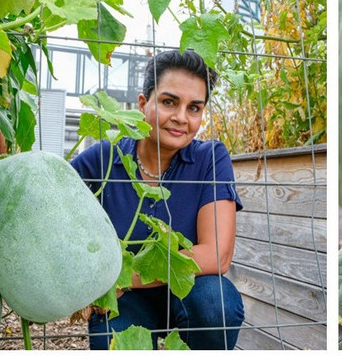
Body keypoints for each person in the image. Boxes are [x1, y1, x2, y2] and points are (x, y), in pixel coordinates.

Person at [70, 49, 245, 350]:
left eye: (194, 108)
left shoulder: (210, 158)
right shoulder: (105, 157)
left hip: (186, 292)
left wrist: (125, 277)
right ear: (142, 103)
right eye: (169, 102)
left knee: (217, 303)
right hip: (128, 303)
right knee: (114, 339)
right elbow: (49, 193)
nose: (181, 118)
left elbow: (217, 255)